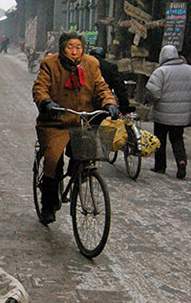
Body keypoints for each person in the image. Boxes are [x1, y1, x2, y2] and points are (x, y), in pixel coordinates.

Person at [32, 31, 119, 225]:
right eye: (70, 47)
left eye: (78, 47)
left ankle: (77, 174)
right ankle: (48, 204)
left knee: (87, 154)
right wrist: (46, 102)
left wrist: (109, 102)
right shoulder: (50, 64)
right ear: (63, 48)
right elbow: (40, 87)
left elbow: (101, 87)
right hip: (56, 122)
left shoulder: (91, 64)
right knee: (53, 160)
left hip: (82, 120)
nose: (74, 51)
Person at [145, 45, 191, 179]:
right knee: (177, 139)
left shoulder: (161, 72)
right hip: (181, 114)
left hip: (161, 113)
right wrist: (189, 100)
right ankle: (181, 161)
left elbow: (153, 91)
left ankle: (160, 166)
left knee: (160, 140)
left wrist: (154, 100)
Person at [89, 47, 135, 115]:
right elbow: (119, 87)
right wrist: (124, 105)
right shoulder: (109, 67)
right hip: (104, 103)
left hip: (85, 104)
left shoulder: (83, 66)